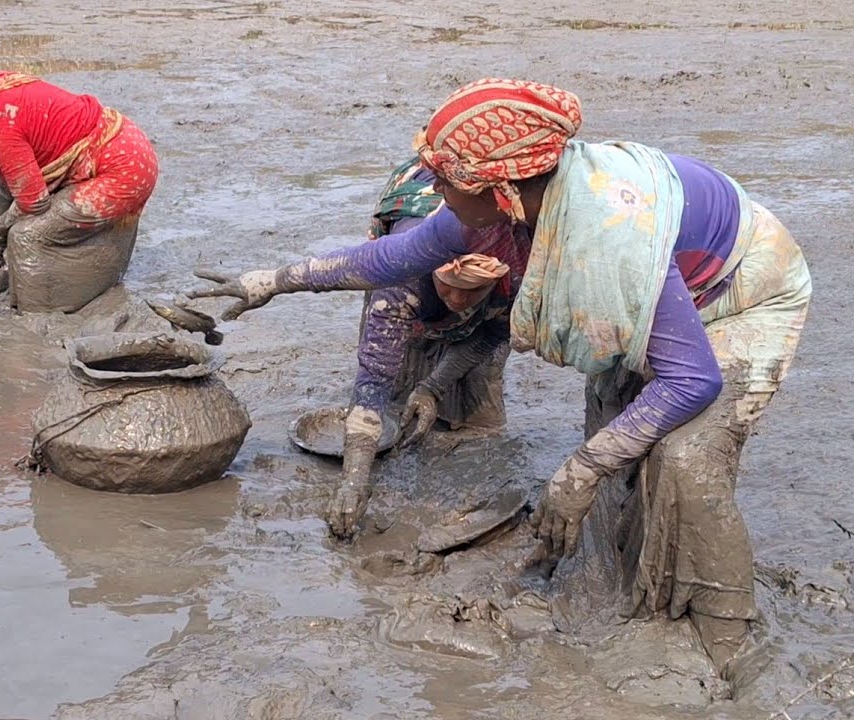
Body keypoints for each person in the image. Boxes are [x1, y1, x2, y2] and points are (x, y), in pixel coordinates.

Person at [190, 78, 811, 680]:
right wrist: (271, 281)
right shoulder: (497, 210)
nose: (433, 187)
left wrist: (581, 467)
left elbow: (693, 381)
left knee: (684, 456)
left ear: (505, 189)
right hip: (658, 295)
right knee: (620, 439)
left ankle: (723, 634)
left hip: (741, 297)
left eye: (447, 180)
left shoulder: (606, 237)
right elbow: (387, 259)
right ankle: (635, 596)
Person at [326, 158, 526, 538]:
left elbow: (492, 336)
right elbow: (372, 379)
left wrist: (433, 387)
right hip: (409, 269)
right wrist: (353, 482)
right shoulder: (401, 273)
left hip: (489, 299)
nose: (456, 299)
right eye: (448, 286)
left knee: (481, 421)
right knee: (395, 399)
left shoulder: (515, 275)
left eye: (471, 291)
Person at [0, 59, 159, 312]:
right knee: (19, 226)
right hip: (121, 138)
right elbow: (7, 178)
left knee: (26, 236)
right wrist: (5, 221)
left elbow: (34, 201)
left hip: (123, 169)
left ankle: (35, 316)